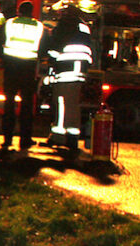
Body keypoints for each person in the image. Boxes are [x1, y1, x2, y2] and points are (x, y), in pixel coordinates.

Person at [0, 1, 46, 151]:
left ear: (19, 11)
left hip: (11, 68)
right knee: (27, 105)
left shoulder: (9, 24)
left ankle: (7, 139)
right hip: (28, 69)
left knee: (9, 104)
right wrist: (37, 58)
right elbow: (44, 48)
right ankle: (25, 140)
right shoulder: (39, 27)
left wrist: (4, 57)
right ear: (32, 12)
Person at [46, 5, 93, 151]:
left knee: (61, 103)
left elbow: (56, 46)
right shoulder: (83, 26)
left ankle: (59, 136)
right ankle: (72, 138)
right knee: (73, 105)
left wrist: (49, 57)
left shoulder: (66, 24)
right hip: (80, 70)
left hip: (67, 69)